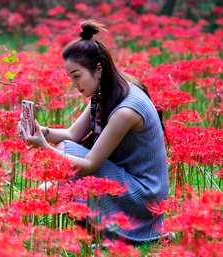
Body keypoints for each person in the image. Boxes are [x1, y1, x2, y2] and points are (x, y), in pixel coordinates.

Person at [18, 20, 169, 245]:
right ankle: (97, 233)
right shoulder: (108, 91)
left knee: (63, 167)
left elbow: (89, 165)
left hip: (145, 196)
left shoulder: (126, 110)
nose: (74, 84)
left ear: (98, 69)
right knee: (52, 179)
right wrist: (42, 131)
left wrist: (44, 146)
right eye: (71, 78)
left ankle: (117, 234)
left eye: (77, 76)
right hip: (126, 180)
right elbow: (71, 134)